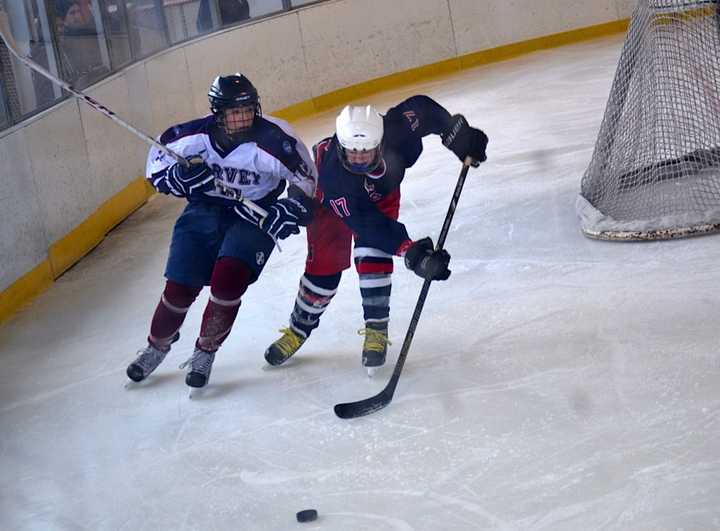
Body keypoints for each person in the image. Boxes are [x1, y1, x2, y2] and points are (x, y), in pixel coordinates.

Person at [264, 96, 488, 373]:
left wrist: (455, 133)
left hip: (380, 195)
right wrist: (413, 253)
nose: (358, 159)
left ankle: (376, 330)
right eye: (352, 152)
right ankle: (298, 330)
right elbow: (368, 226)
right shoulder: (335, 176)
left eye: (366, 152)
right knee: (323, 272)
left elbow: (424, 109)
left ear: (381, 144)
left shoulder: (397, 130)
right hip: (329, 200)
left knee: (373, 260)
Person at [126, 73, 317, 390]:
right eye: (234, 111)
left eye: (247, 109)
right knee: (179, 287)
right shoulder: (190, 137)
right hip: (204, 209)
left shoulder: (276, 139)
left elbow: (306, 180)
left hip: (255, 214)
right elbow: (156, 168)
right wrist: (180, 177)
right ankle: (157, 345)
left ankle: (205, 351)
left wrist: (290, 208)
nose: (243, 118)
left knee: (228, 282)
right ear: (218, 112)